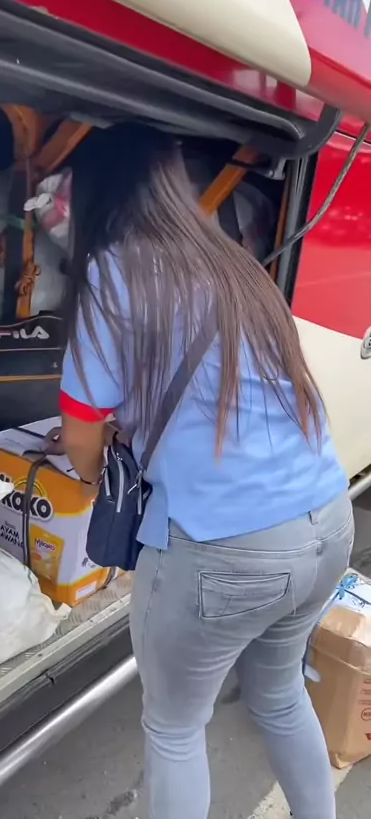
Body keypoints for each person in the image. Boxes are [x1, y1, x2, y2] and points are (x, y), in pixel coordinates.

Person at [57, 123, 353, 819]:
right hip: (326, 522)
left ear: (97, 191)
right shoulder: (236, 264)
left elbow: (80, 437)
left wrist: (105, 473)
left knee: (174, 728)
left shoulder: (113, 274)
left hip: (225, 547)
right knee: (280, 695)